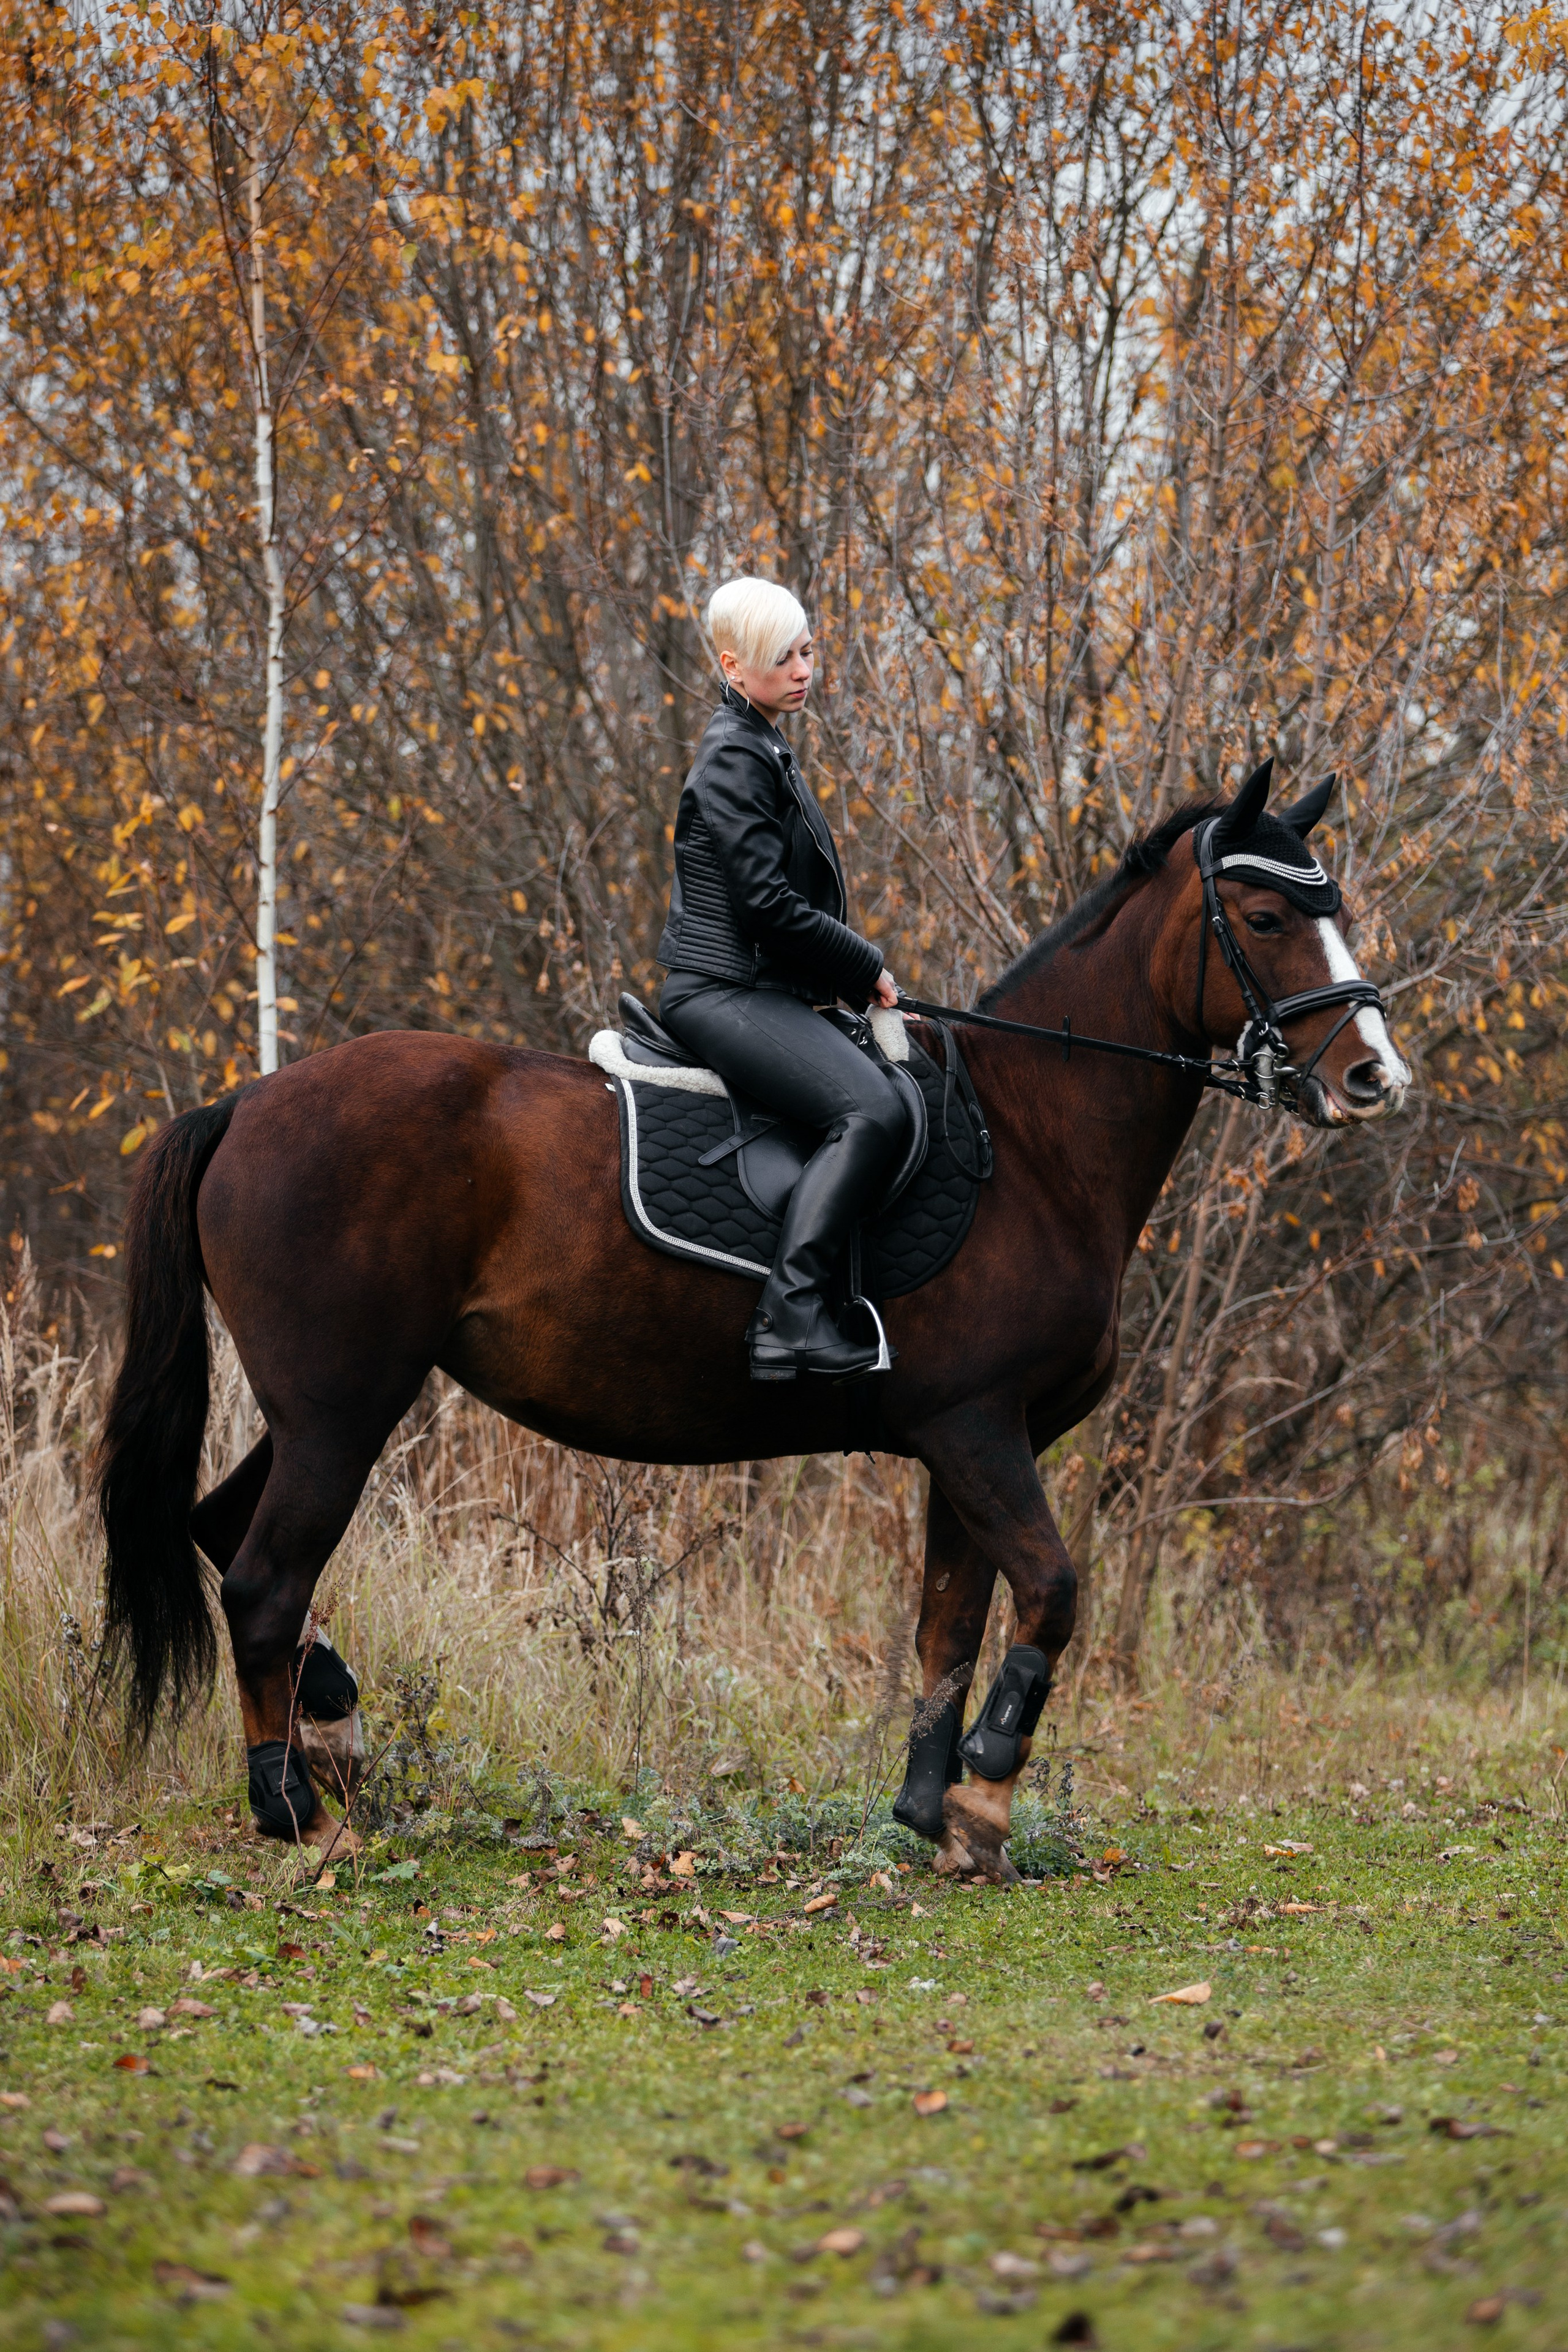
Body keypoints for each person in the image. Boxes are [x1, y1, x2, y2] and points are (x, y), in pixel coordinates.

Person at [656, 577, 907, 1382]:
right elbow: (765, 906)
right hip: (720, 992)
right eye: (783, 658)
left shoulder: (763, 742)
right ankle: (789, 1318)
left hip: (759, 988)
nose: (803, 670)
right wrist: (864, 964)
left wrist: (847, 981)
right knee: (872, 1110)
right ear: (734, 666)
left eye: (806, 651)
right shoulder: (735, 755)